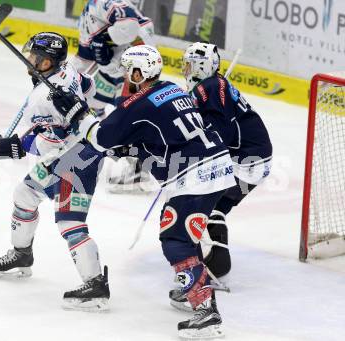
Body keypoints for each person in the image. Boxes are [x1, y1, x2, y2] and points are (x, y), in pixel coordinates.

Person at [51, 45, 237, 339]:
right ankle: (196, 290)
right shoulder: (172, 89)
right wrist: (131, 145)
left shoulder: (137, 103)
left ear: (140, 72)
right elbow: (158, 132)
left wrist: (78, 113)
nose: (126, 76)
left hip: (194, 175)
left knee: (175, 240)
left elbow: (99, 137)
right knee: (185, 232)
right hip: (218, 166)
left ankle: (207, 312)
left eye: (129, 70)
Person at [0, 32, 110, 312]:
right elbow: (88, 88)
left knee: (69, 223)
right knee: (25, 195)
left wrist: (12, 146)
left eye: (34, 57)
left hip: (76, 160)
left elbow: (49, 142)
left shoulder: (42, 97)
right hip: (67, 153)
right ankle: (22, 254)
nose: (28, 61)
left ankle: (96, 284)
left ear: (46, 61)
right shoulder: (69, 70)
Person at [169, 42, 273, 312]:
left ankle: (204, 272)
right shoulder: (210, 87)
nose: (185, 69)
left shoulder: (211, 87)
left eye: (190, 63)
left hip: (246, 161)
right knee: (213, 207)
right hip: (253, 160)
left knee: (195, 202)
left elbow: (218, 134)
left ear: (202, 66)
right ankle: (216, 263)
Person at [71, 0, 155, 192]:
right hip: (113, 70)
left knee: (129, 114)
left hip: (138, 64)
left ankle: (138, 169)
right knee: (87, 103)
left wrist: (105, 39)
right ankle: (99, 144)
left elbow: (131, 28)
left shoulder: (107, 3)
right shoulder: (88, 13)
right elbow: (85, 57)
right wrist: (63, 76)